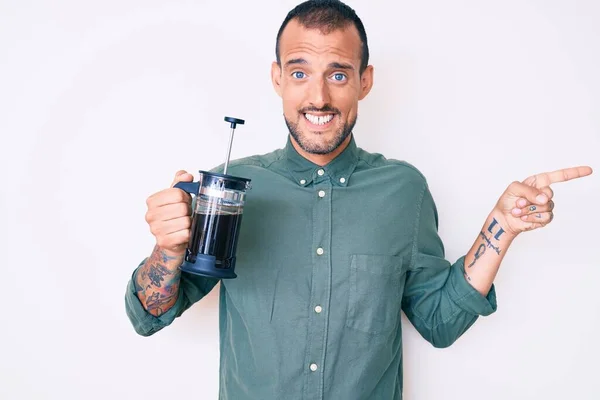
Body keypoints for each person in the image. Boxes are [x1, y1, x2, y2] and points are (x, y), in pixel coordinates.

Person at [124, 1, 592, 398]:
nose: (319, 97)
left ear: (365, 81)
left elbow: (439, 322)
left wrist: (500, 229)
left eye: (339, 75)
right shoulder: (230, 188)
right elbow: (149, 317)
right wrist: (166, 251)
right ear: (278, 79)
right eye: (300, 72)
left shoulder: (404, 189)